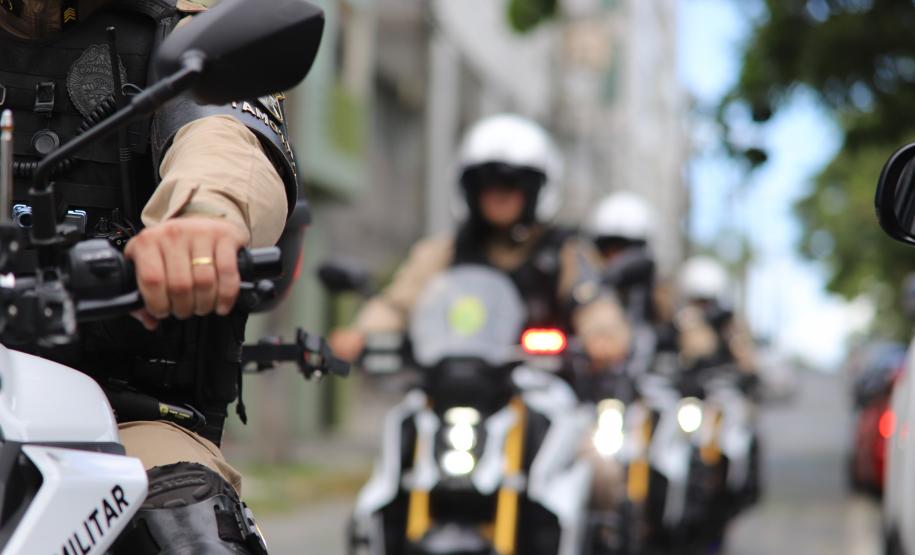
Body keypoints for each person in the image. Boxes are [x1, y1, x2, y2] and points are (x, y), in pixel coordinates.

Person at [1, 1, 309, 552]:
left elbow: (222, 140)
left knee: (186, 528)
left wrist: (202, 223)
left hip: (119, 421)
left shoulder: (180, 30)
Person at [330, 114, 629, 367]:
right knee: (407, 418)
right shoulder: (446, 250)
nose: (499, 194)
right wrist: (361, 333)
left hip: (542, 388)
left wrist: (604, 334)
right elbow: (398, 304)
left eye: (512, 184)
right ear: (470, 189)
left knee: (581, 434)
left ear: (535, 190)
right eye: (487, 183)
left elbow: (594, 302)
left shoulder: (565, 252)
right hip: (459, 382)